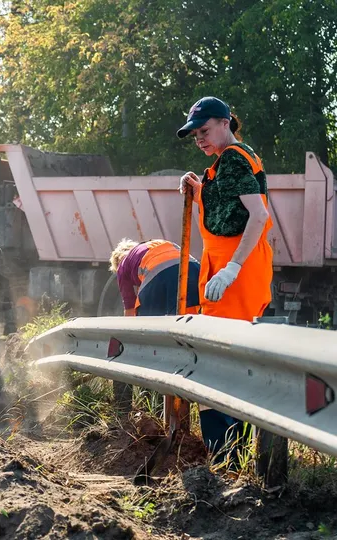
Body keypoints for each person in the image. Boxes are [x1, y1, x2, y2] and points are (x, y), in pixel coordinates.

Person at [177, 96, 273, 462]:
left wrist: (232, 268)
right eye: (194, 135)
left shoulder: (233, 157)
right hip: (228, 266)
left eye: (204, 131)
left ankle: (225, 456)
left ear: (224, 123)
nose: (199, 139)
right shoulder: (227, 161)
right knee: (226, 359)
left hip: (237, 270)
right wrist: (199, 190)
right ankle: (231, 454)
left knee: (216, 361)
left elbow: (258, 215)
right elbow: (227, 211)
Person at [109, 238, 200, 316]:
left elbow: (130, 307)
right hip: (192, 267)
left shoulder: (122, 265)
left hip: (158, 272)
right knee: (188, 315)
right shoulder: (156, 243)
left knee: (148, 322)